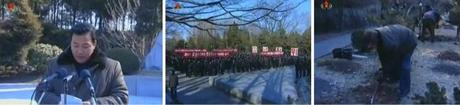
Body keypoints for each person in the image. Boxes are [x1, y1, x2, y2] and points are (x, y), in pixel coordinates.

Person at [34, 23, 129, 104]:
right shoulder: (55, 64)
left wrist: (94, 103)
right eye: (75, 45)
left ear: (94, 44)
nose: (79, 51)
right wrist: (61, 102)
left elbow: (122, 97)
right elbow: (40, 93)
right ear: (70, 43)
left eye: (85, 46)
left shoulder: (111, 67)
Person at [351, 24, 417, 97]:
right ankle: (396, 77)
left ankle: (404, 90)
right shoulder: (376, 36)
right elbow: (383, 58)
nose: (369, 47)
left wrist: (387, 74)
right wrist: (385, 73)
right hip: (399, 38)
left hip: (409, 41)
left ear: (375, 41)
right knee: (394, 64)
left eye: (371, 45)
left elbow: (393, 60)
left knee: (405, 65)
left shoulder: (389, 43)